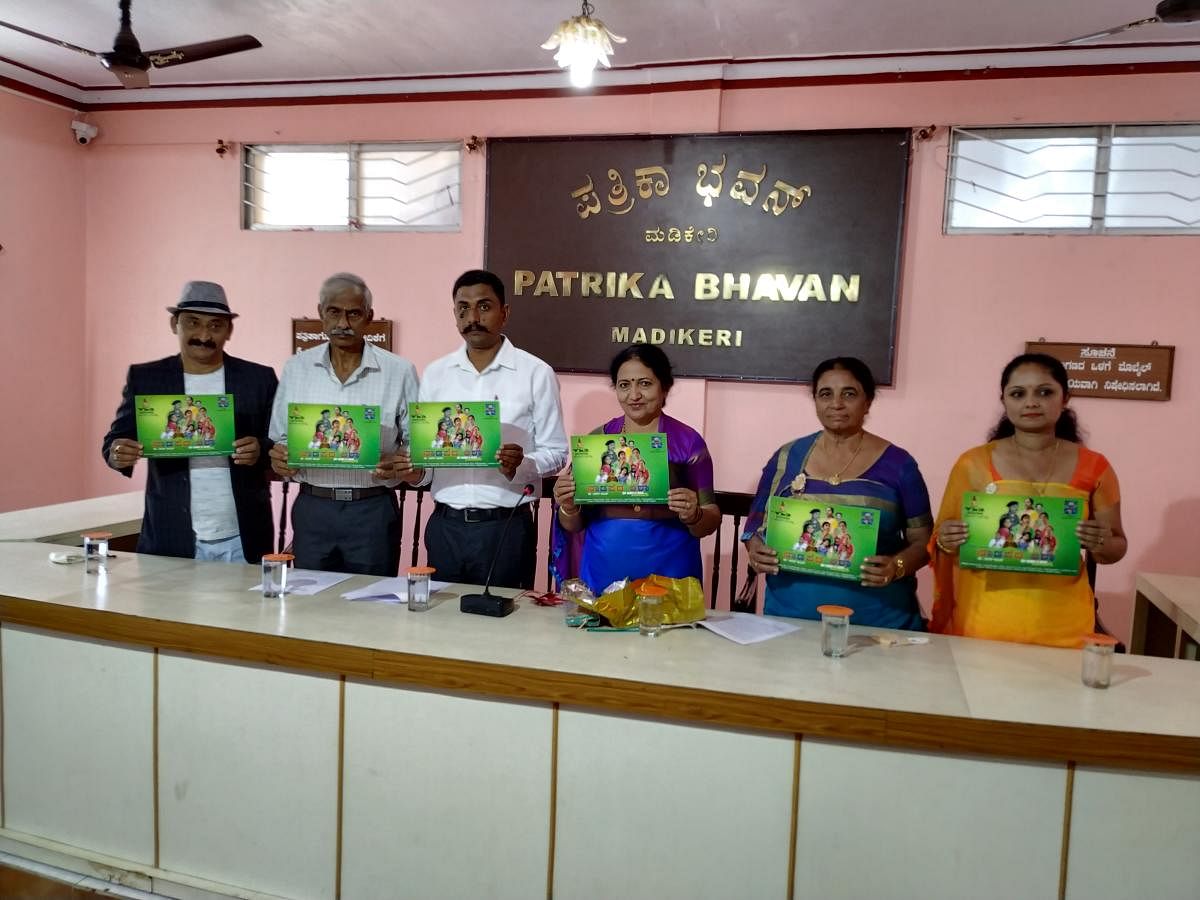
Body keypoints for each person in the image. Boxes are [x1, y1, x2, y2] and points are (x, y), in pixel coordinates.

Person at [930, 352, 1127, 647]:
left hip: (1065, 629)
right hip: (984, 625)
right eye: (1018, 393)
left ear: (1065, 398)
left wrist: (1100, 542)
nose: (1031, 402)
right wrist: (947, 539)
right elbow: (939, 541)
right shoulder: (972, 464)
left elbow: (1115, 547)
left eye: (1045, 392)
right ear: (1004, 401)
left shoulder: (1095, 467)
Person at [398, 269, 567, 589]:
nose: (472, 317)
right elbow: (427, 466)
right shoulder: (436, 374)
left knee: (502, 629)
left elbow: (557, 453)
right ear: (454, 314)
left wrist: (523, 464)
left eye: (484, 306)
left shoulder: (535, 373)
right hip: (444, 526)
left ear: (505, 312)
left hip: (505, 529)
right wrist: (413, 470)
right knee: (442, 628)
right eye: (463, 308)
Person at [741, 357, 932, 629]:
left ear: (868, 402)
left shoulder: (900, 465)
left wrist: (896, 566)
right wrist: (756, 548)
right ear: (816, 401)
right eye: (826, 394)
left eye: (849, 394)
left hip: (878, 622)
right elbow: (754, 525)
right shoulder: (786, 458)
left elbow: (924, 542)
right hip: (791, 616)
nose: (836, 404)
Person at [102, 281, 277, 563]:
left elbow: (279, 446)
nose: (204, 335)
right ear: (175, 324)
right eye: (193, 323)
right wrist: (119, 453)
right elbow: (114, 442)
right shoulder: (147, 378)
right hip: (171, 534)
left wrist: (260, 449)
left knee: (244, 608)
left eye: (215, 326)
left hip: (242, 536)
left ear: (229, 330)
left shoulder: (258, 379)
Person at [269, 273, 419, 575]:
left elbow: (417, 441)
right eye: (334, 312)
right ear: (321, 313)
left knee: (372, 602)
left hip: (372, 509)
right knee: (309, 605)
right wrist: (280, 459)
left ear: (369, 317)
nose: (343, 323)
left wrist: (400, 461)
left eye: (354, 313)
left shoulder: (399, 371)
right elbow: (280, 438)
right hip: (314, 506)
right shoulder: (296, 368)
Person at [551, 344, 720, 593]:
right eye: (624, 385)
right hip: (604, 573)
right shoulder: (597, 441)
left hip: (670, 574)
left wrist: (694, 514)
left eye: (644, 383)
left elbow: (710, 518)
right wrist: (567, 505)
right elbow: (574, 525)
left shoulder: (688, 442)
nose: (634, 395)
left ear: (665, 387)